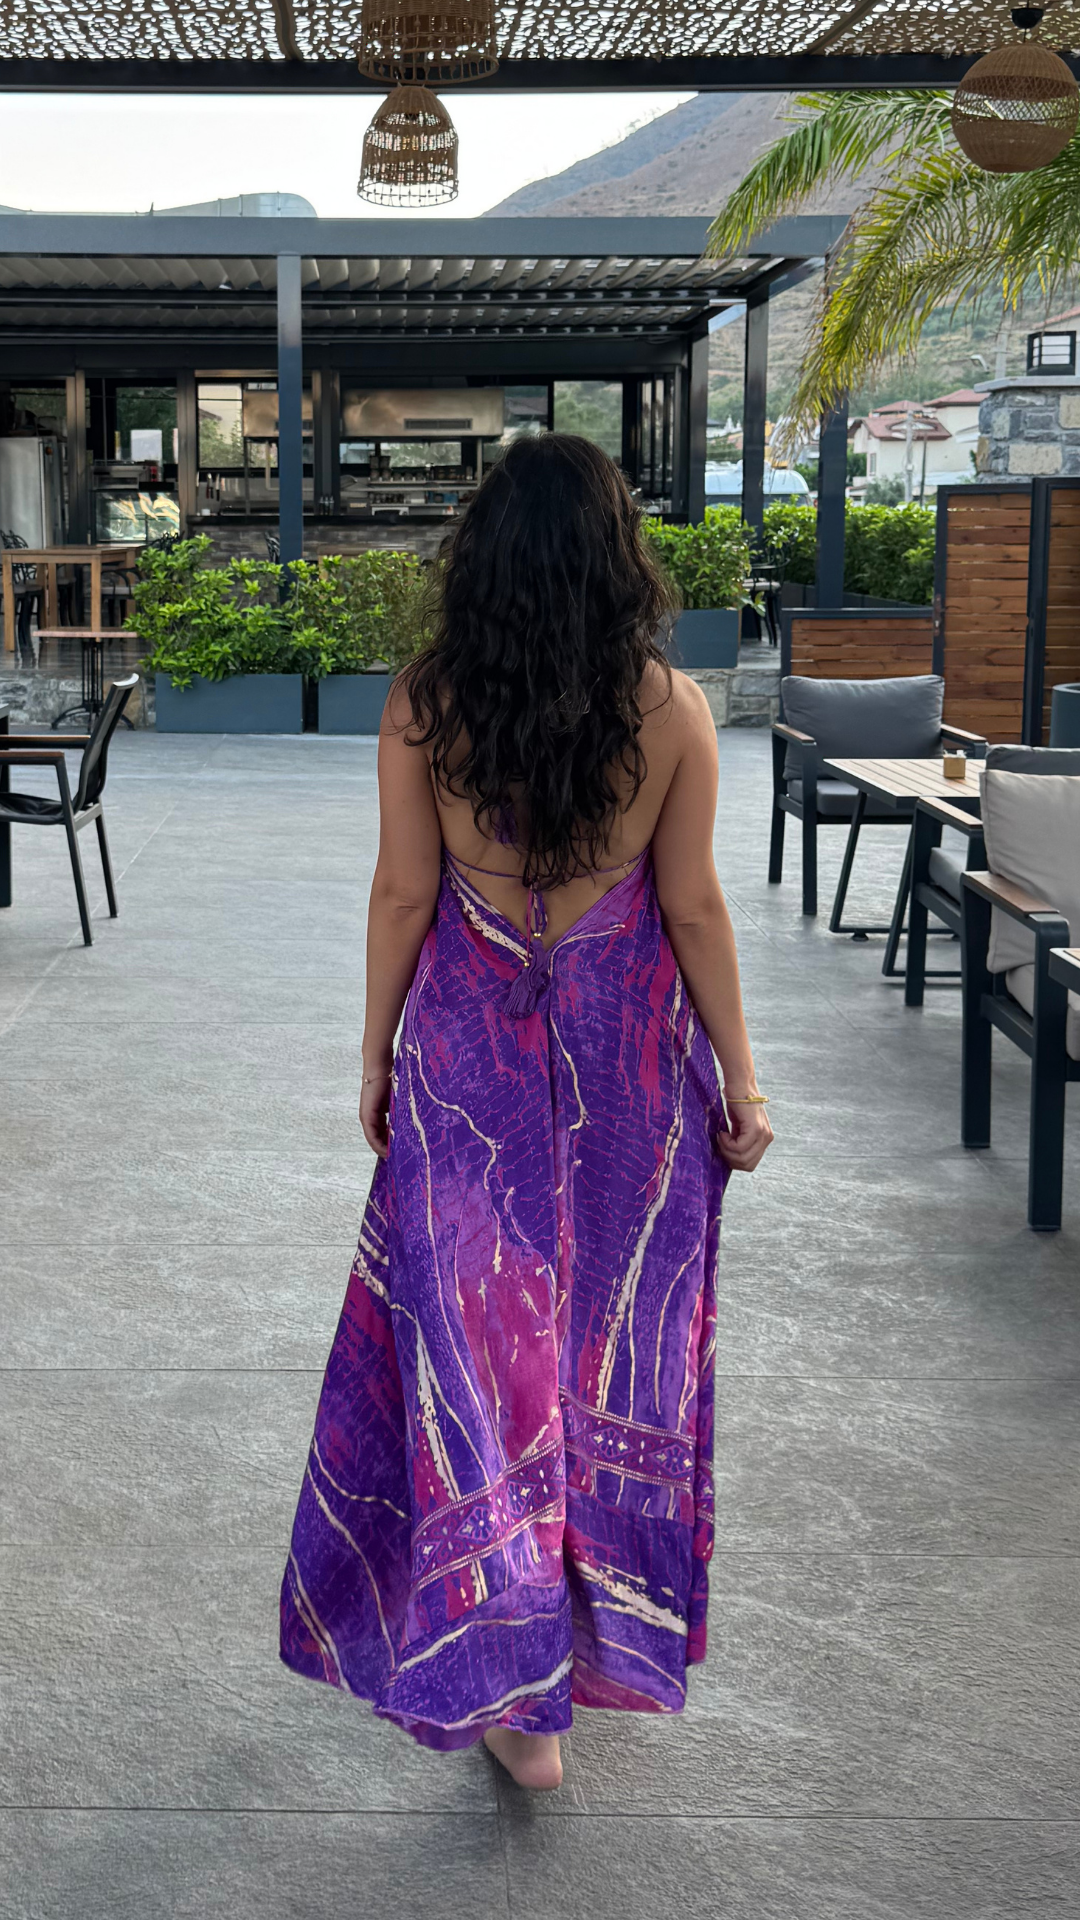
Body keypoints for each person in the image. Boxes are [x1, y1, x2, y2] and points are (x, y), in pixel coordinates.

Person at [280, 433, 772, 1791]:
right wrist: (743, 1081)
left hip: (466, 1069)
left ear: (481, 558)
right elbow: (691, 907)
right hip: (631, 1078)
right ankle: (575, 1658)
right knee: (610, 1366)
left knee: (476, 1360)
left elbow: (404, 893)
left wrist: (376, 1056)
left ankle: (516, 1694)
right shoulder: (673, 712)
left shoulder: (426, 706)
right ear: (620, 561)